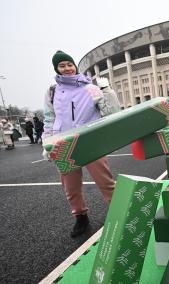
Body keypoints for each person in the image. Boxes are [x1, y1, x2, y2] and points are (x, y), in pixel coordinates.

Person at [43, 50, 116, 238]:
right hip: (63, 143)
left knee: (106, 182)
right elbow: (49, 118)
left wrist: (106, 91)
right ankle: (80, 216)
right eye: (62, 65)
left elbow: (112, 112)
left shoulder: (90, 87)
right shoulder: (52, 91)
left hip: (90, 139)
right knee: (71, 187)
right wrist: (47, 143)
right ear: (56, 69)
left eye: (69, 64)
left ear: (74, 66)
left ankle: (118, 212)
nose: (67, 68)